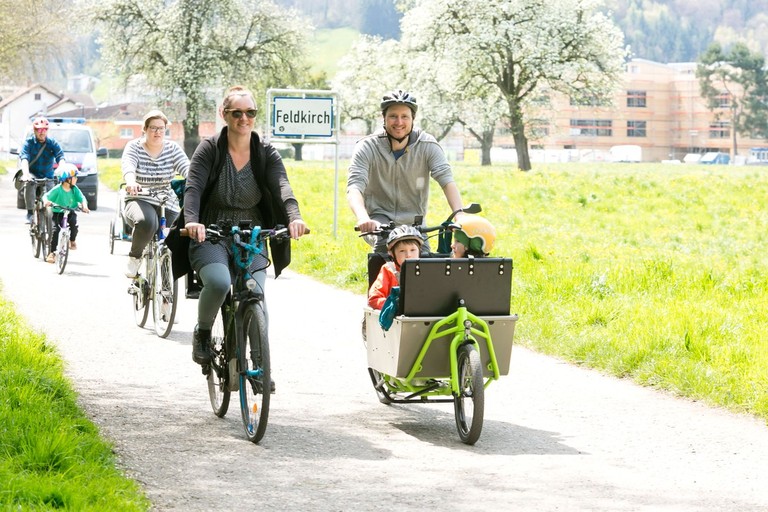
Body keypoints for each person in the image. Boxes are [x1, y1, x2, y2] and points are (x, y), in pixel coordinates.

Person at [183, 85, 309, 366]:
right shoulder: (210, 149)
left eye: (250, 112)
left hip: (252, 233)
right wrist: (192, 221)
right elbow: (193, 188)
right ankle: (203, 332)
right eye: (237, 113)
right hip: (212, 231)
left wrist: (295, 217)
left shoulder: (265, 152)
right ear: (224, 114)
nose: (244, 118)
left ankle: (260, 366)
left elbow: (283, 187)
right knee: (219, 282)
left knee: (256, 295)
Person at [347, 89, 464, 253]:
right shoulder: (367, 147)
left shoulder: (427, 145)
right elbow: (355, 186)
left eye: (405, 116)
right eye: (393, 116)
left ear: (413, 119)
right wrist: (363, 218)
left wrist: (460, 215)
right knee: (384, 248)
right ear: (384, 118)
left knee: (426, 263)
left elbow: (447, 181)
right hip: (379, 221)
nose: (399, 122)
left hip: (414, 225)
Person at [121, 110, 189, 278]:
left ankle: (167, 277)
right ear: (144, 129)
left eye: (161, 128)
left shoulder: (172, 148)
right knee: (147, 222)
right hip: (139, 198)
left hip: (166, 200)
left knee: (176, 232)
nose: (157, 132)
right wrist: (131, 181)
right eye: (153, 128)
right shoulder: (134, 147)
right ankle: (135, 257)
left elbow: (187, 168)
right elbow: (128, 166)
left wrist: (196, 181)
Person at [19, 116, 66, 224]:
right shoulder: (29, 143)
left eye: (45, 129)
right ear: (35, 130)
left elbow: (60, 156)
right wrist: (26, 174)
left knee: (52, 193)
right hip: (32, 174)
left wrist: (61, 168)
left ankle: (52, 218)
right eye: (39, 130)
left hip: (47, 175)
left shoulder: (52, 143)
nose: (42, 132)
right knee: (29, 184)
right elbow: (24, 158)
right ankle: (30, 213)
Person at [42, 163, 89, 263]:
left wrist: (84, 206)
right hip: (58, 213)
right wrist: (46, 201)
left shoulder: (74, 189)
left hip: (70, 212)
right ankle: (52, 253)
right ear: (67, 178)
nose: (76, 179)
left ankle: (72, 241)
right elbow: (46, 196)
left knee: (74, 226)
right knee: (56, 231)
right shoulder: (58, 189)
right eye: (75, 177)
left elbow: (82, 198)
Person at [368, 225, 423, 309]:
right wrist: (394, 305)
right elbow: (374, 298)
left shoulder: (427, 269)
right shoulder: (388, 270)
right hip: (397, 314)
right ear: (392, 253)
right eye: (402, 251)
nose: (408, 255)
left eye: (413, 250)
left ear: (419, 251)